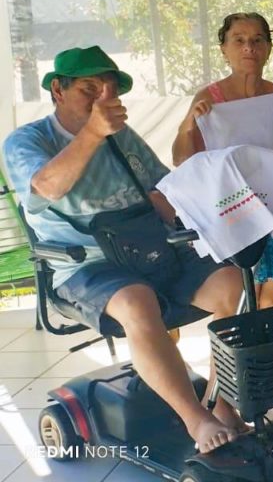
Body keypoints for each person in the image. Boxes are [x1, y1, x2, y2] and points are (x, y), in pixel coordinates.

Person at [3, 47, 244, 453]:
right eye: (90, 89)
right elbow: (46, 188)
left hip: (150, 247)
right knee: (137, 301)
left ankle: (221, 401)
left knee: (232, 282)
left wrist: (207, 209)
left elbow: (162, 188)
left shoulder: (123, 136)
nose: (104, 98)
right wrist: (93, 134)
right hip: (84, 264)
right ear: (58, 90)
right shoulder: (27, 140)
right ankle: (195, 419)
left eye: (111, 90)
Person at [172, 13, 273, 310]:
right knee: (235, 301)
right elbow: (182, 161)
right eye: (239, 40)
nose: (249, 47)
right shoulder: (208, 99)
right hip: (232, 211)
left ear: (269, 48)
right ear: (224, 49)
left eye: (258, 40)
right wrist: (187, 125)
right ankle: (234, 345)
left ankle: (271, 344)